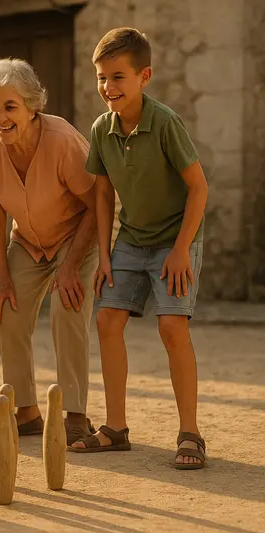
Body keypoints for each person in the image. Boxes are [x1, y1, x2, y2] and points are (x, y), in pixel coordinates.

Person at [70, 29, 209, 470]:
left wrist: (182, 249)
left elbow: (199, 189)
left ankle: (190, 432)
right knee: (107, 320)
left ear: (143, 76)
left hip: (176, 240)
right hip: (130, 239)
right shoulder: (100, 129)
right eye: (101, 78)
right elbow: (103, 194)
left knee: (172, 327)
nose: (108, 88)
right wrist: (106, 253)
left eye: (118, 77)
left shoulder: (165, 122)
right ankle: (115, 428)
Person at [0, 58, 99, 444]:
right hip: (27, 241)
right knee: (7, 311)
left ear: (32, 107)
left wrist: (71, 266)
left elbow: (98, 205)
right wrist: (1, 279)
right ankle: (26, 411)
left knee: (68, 308)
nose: (0, 117)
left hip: (78, 236)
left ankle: (75, 413)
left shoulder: (62, 139)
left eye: (10, 107)